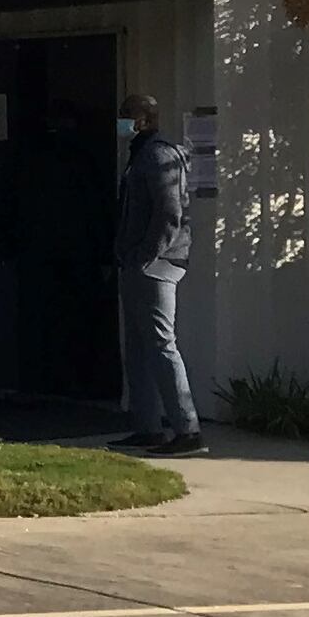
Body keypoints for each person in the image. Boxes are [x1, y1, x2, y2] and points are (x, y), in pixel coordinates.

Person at [114, 91, 203, 454]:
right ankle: (147, 426)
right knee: (137, 347)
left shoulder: (157, 154)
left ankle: (187, 430)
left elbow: (168, 214)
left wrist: (144, 257)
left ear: (145, 119)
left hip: (156, 266)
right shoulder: (141, 154)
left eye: (127, 114)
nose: (121, 120)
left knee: (162, 345)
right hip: (140, 263)